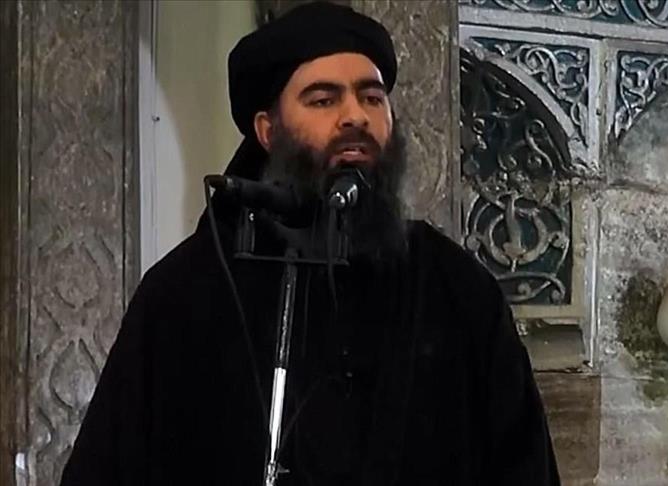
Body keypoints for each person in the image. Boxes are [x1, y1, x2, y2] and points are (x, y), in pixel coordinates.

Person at [60, 2, 559, 485]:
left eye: (372, 97)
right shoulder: (185, 295)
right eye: (323, 100)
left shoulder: (456, 290)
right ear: (267, 130)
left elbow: (524, 465)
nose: (355, 116)